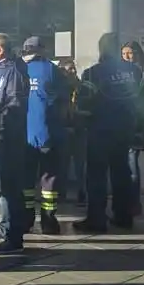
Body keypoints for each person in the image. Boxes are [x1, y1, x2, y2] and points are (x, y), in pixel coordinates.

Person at [74, 33, 142, 233]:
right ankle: (123, 215)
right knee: (121, 173)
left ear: (102, 49)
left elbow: (84, 103)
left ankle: (96, 219)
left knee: (96, 176)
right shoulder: (133, 71)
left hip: (100, 130)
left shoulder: (93, 73)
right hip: (125, 128)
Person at [0, 33, 29, 253]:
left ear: (0, 50)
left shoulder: (12, 72)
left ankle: (12, 235)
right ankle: (6, 227)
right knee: (2, 187)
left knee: (5, 187)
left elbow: (13, 105)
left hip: (4, 138)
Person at [21, 37, 67, 235]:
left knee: (26, 178)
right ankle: (48, 220)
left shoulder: (18, 69)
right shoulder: (51, 69)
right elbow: (62, 101)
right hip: (48, 132)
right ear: (42, 50)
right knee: (49, 177)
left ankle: (26, 217)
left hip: (24, 134)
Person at [122, 41, 144, 216]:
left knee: (131, 163)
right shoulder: (127, 72)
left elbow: (140, 98)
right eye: (124, 54)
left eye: (130, 53)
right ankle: (130, 201)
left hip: (136, 125)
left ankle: (134, 202)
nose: (127, 57)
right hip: (126, 123)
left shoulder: (142, 72)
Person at [57, 58, 87, 205]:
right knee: (62, 164)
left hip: (80, 130)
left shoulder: (81, 87)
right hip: (64, 130)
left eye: (74, 68)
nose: (73, 71)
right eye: (69, 69)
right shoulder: (58, 88)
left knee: (81, 164)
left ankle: (83, 193)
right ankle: (61, 193)